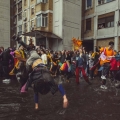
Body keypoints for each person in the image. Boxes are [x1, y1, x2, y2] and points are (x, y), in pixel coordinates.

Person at [12, 34, 68, 110]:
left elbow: (26, 47)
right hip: (44, 70)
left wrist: (25, 84)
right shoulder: (34, 53)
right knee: (56, 83)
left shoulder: (30, 56)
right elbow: (26, 46)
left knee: (31, 84)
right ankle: (64, 97)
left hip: (36, 70)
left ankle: (36, 106)